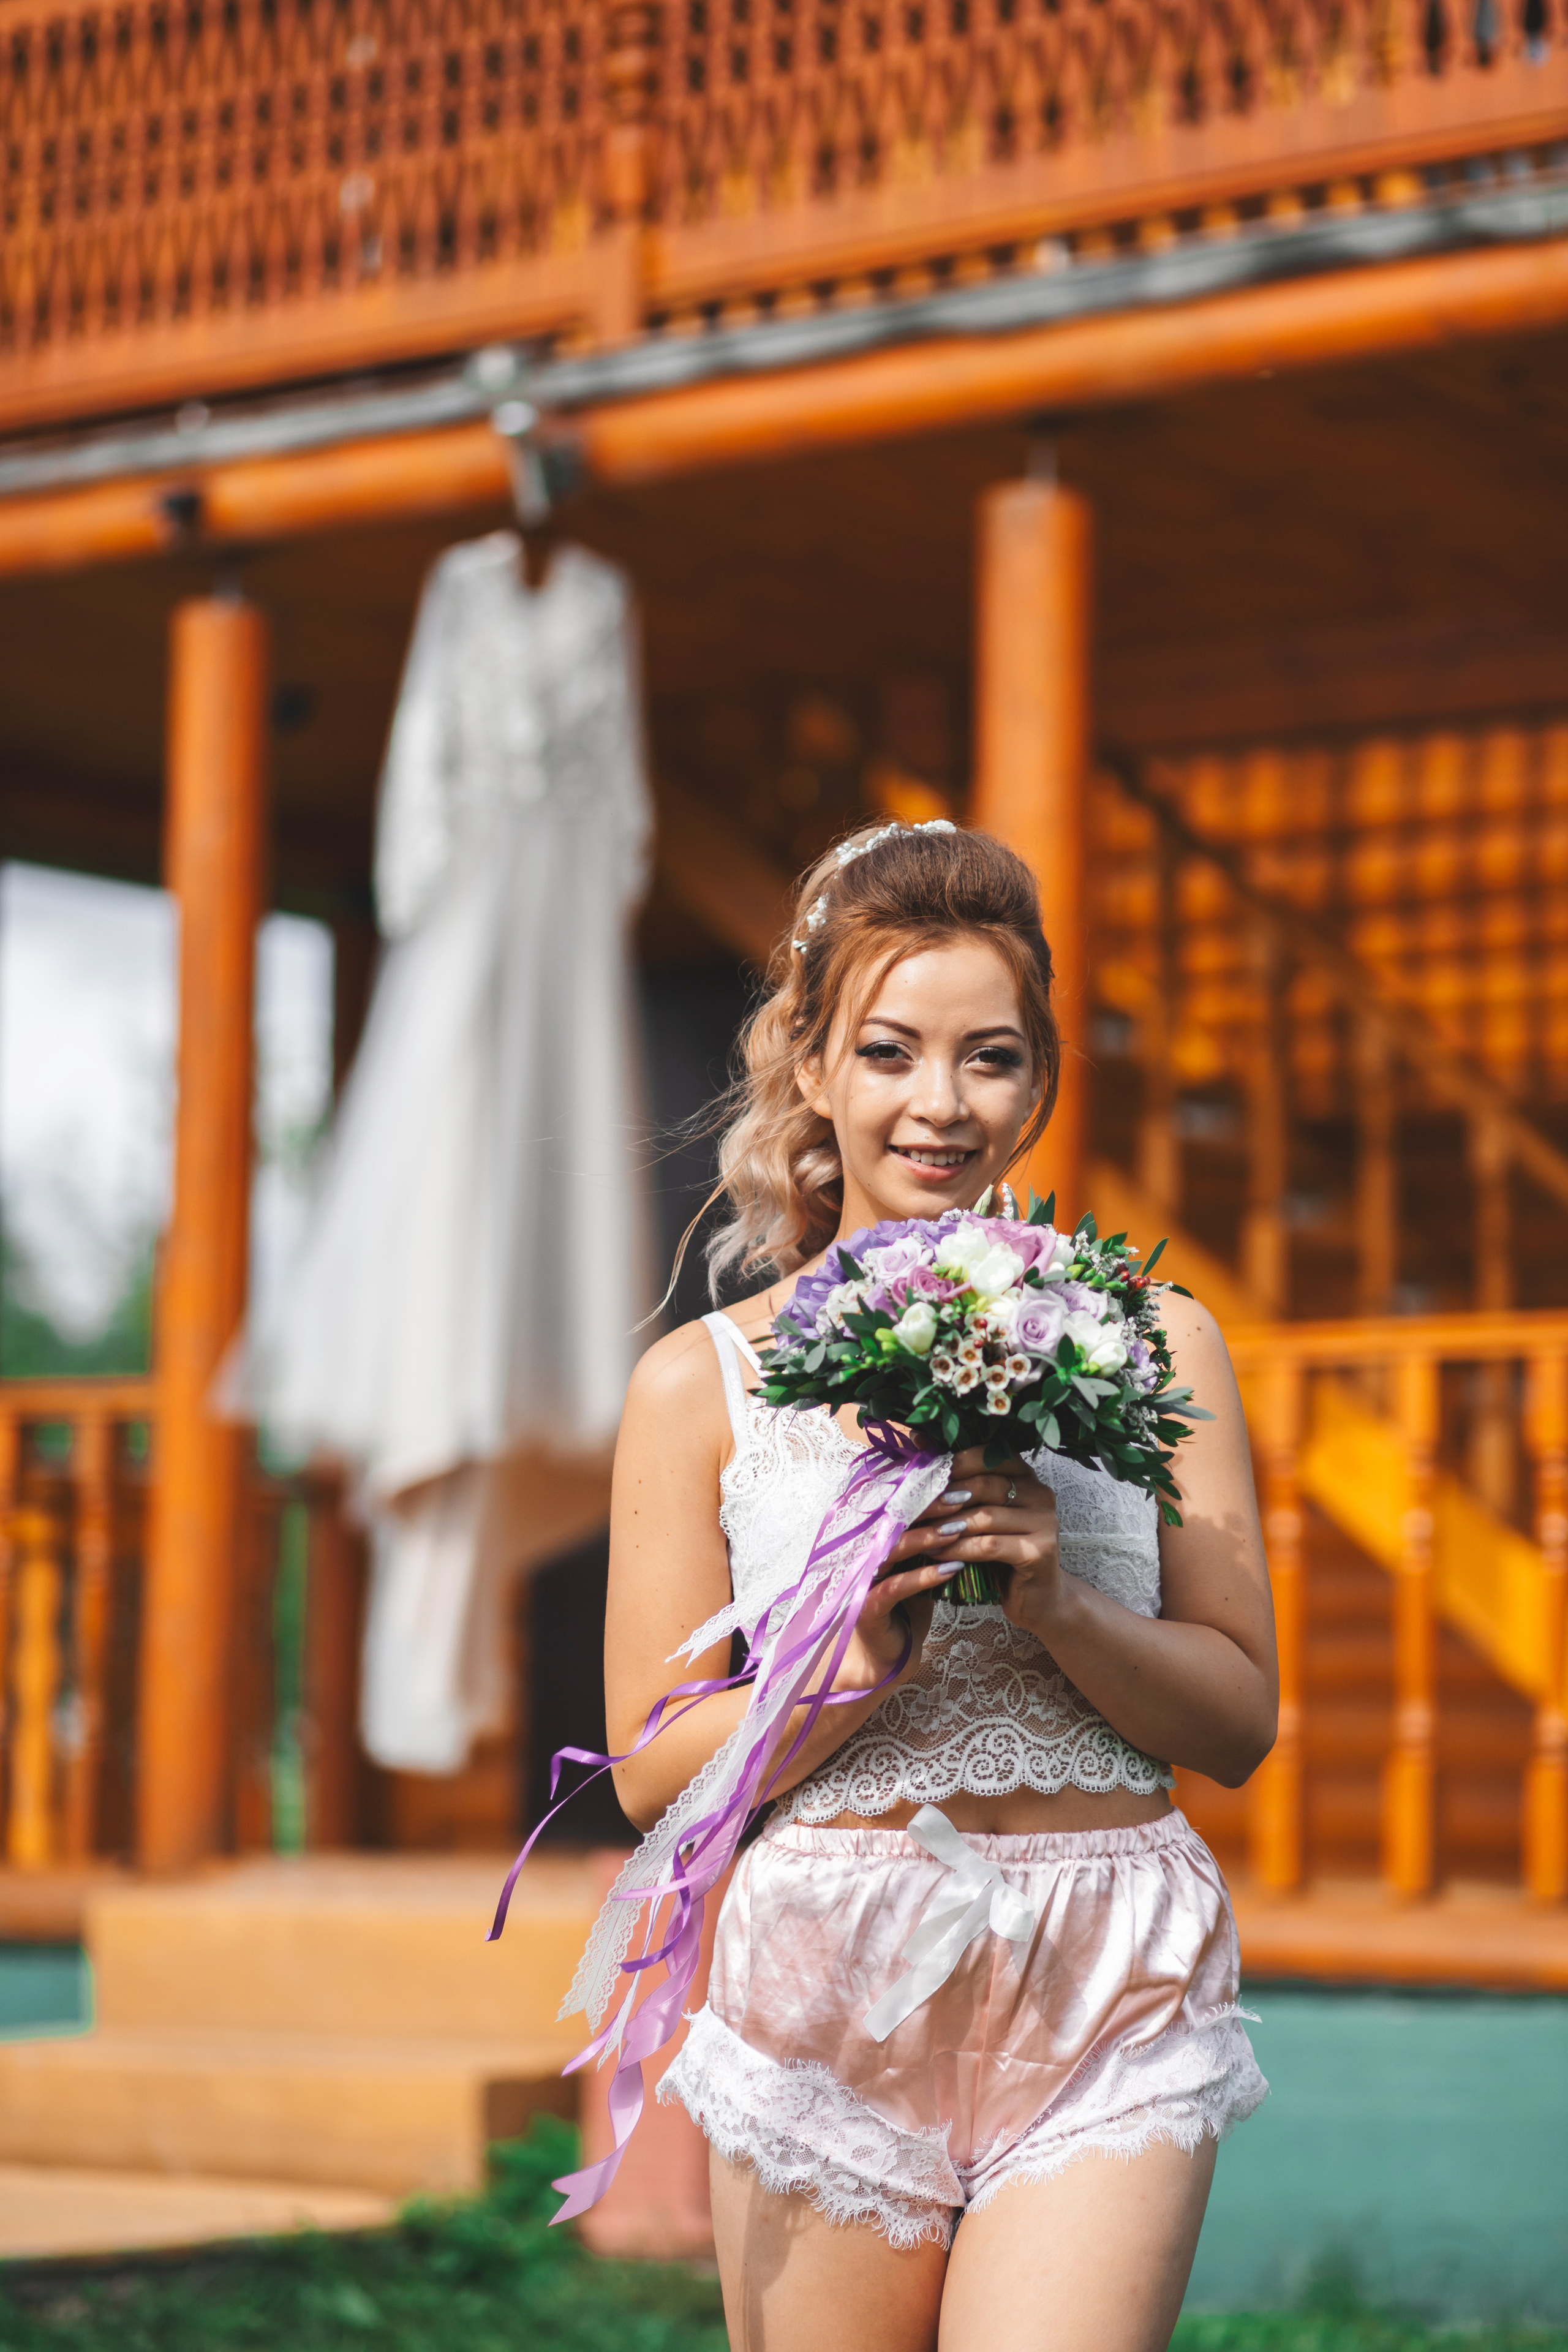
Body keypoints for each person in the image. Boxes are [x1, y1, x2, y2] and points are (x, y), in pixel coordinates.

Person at [605, 819, 1275, 2351]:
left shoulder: (1160, 1346)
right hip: (827, 1978)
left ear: (1035, 1083)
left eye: (987, 1058)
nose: (938, 1104)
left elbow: (1237, 1722)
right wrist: (839, 1667)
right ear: (816, 1068)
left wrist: (1062, 1609)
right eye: (891, 1051)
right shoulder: (692, 1386)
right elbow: (651, 1777)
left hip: (1108, 1971)